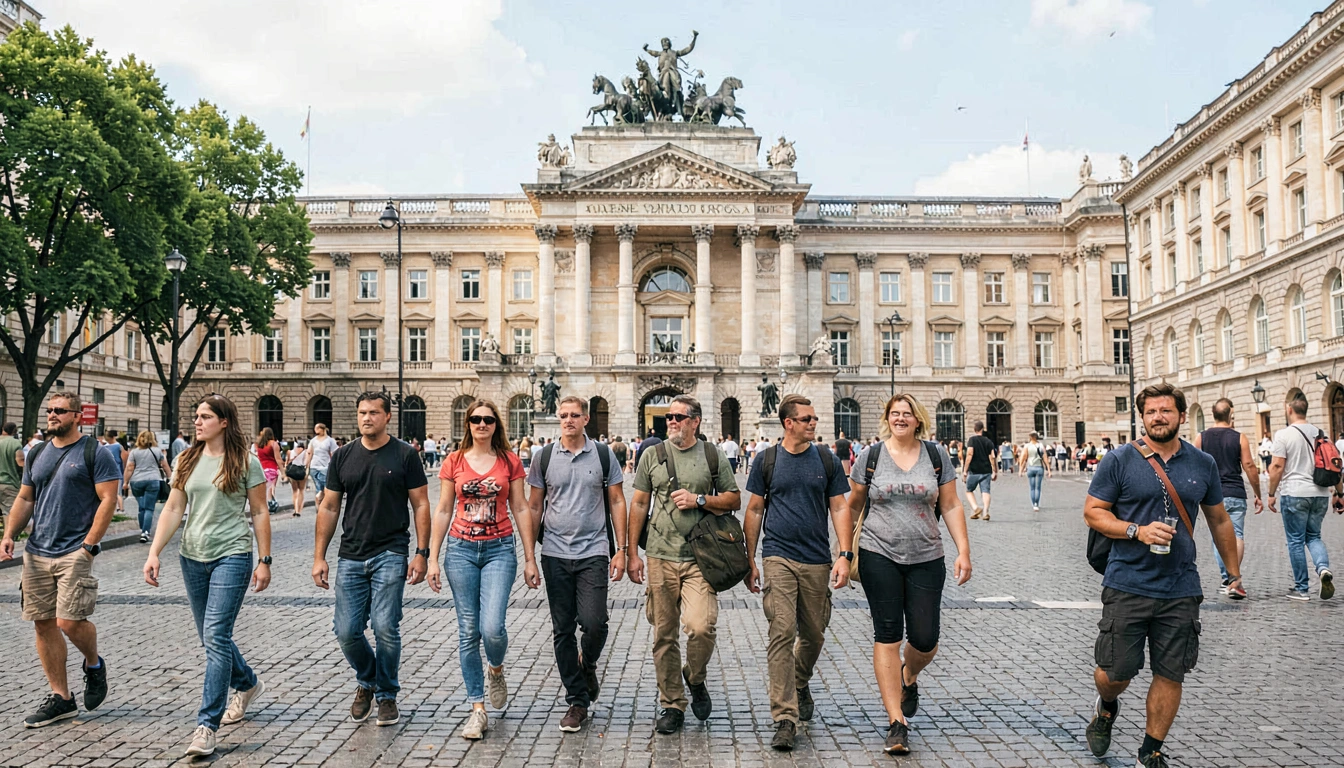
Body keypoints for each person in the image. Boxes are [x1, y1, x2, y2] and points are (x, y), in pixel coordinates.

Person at [1083, 383, 1241, 768]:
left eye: (1166, 411)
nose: (1158, 417)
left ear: (1181, 416)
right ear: (1142, 418)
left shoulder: (1202, 463)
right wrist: (1136, 531)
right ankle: (1107, 706)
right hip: (1127, 581)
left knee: (1171, 672)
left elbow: (1219, 519)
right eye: (1151, 412)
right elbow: (1093, 512)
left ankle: (1150, 751)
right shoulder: (1119, 460)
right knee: (1114, 673)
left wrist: (1233, 573)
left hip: (1180, 585)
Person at [142, 395, 272, 757]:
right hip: (192, 556)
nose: (197, 422)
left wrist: (264, 559)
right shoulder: (186, 459)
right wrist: (154, 552)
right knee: (211, 637)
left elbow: (259, 511)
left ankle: (206, 726)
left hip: (232, 554)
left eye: (205, 416)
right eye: (196, 416)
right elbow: (173, 507)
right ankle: (248, 684)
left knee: (215, 635)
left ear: (224, 422)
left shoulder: (245, 461)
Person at [845, 394, 970, 756]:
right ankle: (896, 722)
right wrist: (843, 553)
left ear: (918, 420)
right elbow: (852, 505)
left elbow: (950, 504)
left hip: (927, 555)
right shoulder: (870, 457)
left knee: (925, 638)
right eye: (895, 413)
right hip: (878, 553)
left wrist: (963, 550)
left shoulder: (935, 456)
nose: (900, 418)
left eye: (907, 414)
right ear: (887, 418)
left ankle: (908, 675)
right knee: (887, 634)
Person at [1, 392, 120, 728]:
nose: (52, 415)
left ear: (77, 416)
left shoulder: (94, 452)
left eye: (60, 411)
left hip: (74, 551)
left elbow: (108, 499)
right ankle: (62, 698)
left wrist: (89, 546)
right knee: (42, 623)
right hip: (37, 552)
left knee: (69, 621)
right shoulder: (37, 452)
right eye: (50, 410)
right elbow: (26, 498)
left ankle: (94, 664)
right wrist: (9, 534)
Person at [312, 392, 430, 728]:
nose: (367, 418)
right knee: (346, 630)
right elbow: (329, 507)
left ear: (387, 416)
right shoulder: (343, 456)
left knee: (385, 626)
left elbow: (421, 504)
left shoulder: (405, 455)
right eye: (362, 412)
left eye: (374, 412)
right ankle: (368, 678)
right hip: (351, 554)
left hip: (391, 550)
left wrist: (422, 553)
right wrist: (319, 556)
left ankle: (387, 694)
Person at [742, 394, 851, 751]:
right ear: (788, 423)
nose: (813, 423)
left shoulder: (826, 458)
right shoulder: (767, 460)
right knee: (782, 631)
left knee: (815, 634)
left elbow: (839, 507)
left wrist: (844, 554)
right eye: (806, 419)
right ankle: (785, 717)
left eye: (814, 418)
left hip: (817, 558)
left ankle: (799, 680)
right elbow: (754, 510)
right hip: (778, 556)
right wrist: (750, 559)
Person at [627, 395, 740, 735]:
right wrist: (631, 553)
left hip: (700, 558)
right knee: (664, 634)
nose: (671, 422)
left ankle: (695, 676)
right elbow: (639, 503)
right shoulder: (652, 455)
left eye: (678, 417)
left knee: (701, 626)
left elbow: (734, 499)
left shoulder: (712, 454)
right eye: (669, 417)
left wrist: (699, 500)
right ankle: (672, 704)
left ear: (695, 421)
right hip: (660, 556)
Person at [521, 396, 627, 733]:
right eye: (564, 415)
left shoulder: (603, 455)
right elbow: (533, 506)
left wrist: (622, 549)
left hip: (593, 550)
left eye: (575, 415)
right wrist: (529, 557)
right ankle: (577, 700)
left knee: (594, 623)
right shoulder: (544, 457)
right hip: (554, 552)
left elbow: (617, 500)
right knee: (563, 628)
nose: (568, 420)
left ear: (586, 419)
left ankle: (588, 661)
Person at [427, 399, 527, 740]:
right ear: (467, 424)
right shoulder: (453, 461)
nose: (482, 424)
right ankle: (477, 709)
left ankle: (495, 669)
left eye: (488, 419)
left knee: (493, 628)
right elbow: (443, 509)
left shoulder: (510, 461)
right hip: (460, 550)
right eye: (475, 419)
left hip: (499, 549)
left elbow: (520, 507)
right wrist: (432, 557)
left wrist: (530, 557)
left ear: (496, 424)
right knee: (468, 631)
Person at [1268, 396, 1339, 601]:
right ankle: (1323, 568)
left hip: (1295, 493)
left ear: (1289, 410)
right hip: (1320, 493)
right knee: (1314, 536)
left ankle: (1302, 589)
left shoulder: (1284, 435)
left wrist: (1271, 494)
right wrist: (1339, 493)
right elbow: (1335, 465)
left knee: (1296, 541)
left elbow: (1277, 466)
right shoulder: (1321, 434)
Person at [1193, 398, 1261, 598]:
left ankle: (1228, 578)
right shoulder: (1239, 437)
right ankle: (1235, 579)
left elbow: (1194, 466)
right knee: (1237, 535)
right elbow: (1249, 466)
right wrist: (1258, 493)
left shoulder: (1201, 438)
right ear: (1230, 414)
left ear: (1212, 414)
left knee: (1218, 537)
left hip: (1212, 495)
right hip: (1236, 492)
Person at [124, 430, 171, 543]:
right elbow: (165, 465)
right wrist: (170, 478)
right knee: (149, 508)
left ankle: (142, 529)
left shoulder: (134, 452)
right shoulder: (157, 451)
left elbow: (129, 467)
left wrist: (125, 482)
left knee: (142, 507)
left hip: (136, 481)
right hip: (153, 480)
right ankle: (145, 532)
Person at [962, 421, 997, 521]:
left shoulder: (972, 440)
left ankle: (976, 508)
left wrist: (965, 470)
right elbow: (992, 457)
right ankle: (985, 511)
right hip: (986, 470)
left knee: (969, 490)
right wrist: (994, 470)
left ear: (974, 429)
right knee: (986, 491)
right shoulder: (988, 441)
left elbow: (969, 454)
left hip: (974, 470)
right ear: (982, 429)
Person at [1017, 432, 1051, 512]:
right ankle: (1036, 504)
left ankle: (1034, 504)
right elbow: (1045, 458)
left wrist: (1020, 470)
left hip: (1030, 467)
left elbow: (1023, 458)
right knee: (1038, 488)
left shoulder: (1027, 446)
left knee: (1032, 488)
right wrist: (1049, 470)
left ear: (1030, 437)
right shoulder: (1041, 445)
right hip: (1039, 467)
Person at [0, 421, 24, 530]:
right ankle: (8, 536)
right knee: (9, 513)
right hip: (9, 483)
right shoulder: (15, 443)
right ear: (14, 431)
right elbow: (20, 462)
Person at [308, 423, 338, 509]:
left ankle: (322, 506)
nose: (315, 430)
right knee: (319, 487)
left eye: (317, 428)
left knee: (324, 487)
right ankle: (320, 507)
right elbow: (310, 453)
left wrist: (334, 465)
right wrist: (307, 465)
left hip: (325, 467)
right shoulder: (313, 441)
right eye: (315, 428)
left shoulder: (330, 440)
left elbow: (334, 454)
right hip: (314, 467)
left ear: (323, 429)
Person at [254, 428, 281, 513]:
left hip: (261, 469)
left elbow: (257, 457)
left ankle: (267, 504)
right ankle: (271, 503)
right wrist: (283, 472)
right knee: (271, 488)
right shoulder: (273, 444)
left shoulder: (258, 445)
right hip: (272, 468)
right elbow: (278, 459)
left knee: (264, 488)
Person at [286, 439, 309, 518]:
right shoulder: (305, 452)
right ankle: (299, 510)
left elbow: (287, 462)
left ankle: (295, 509)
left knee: (295, 491)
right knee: (301, 490)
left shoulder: (290, 452)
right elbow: (306, 463)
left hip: (293, 472)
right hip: (301, 471)